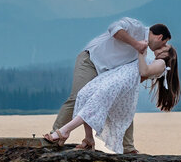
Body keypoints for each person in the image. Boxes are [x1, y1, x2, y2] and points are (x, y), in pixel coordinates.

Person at [48, 17, 171, 153]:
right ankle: (54, 136)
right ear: (159, 37)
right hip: (91, 61)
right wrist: (136, 44)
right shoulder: (136, 27)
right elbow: (114, 28)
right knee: (78, 96)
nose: (162, 48)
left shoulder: (148, 53)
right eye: (164, 44)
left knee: (125, 105)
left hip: (108, 73)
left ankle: (128, 148)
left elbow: (143, 71)